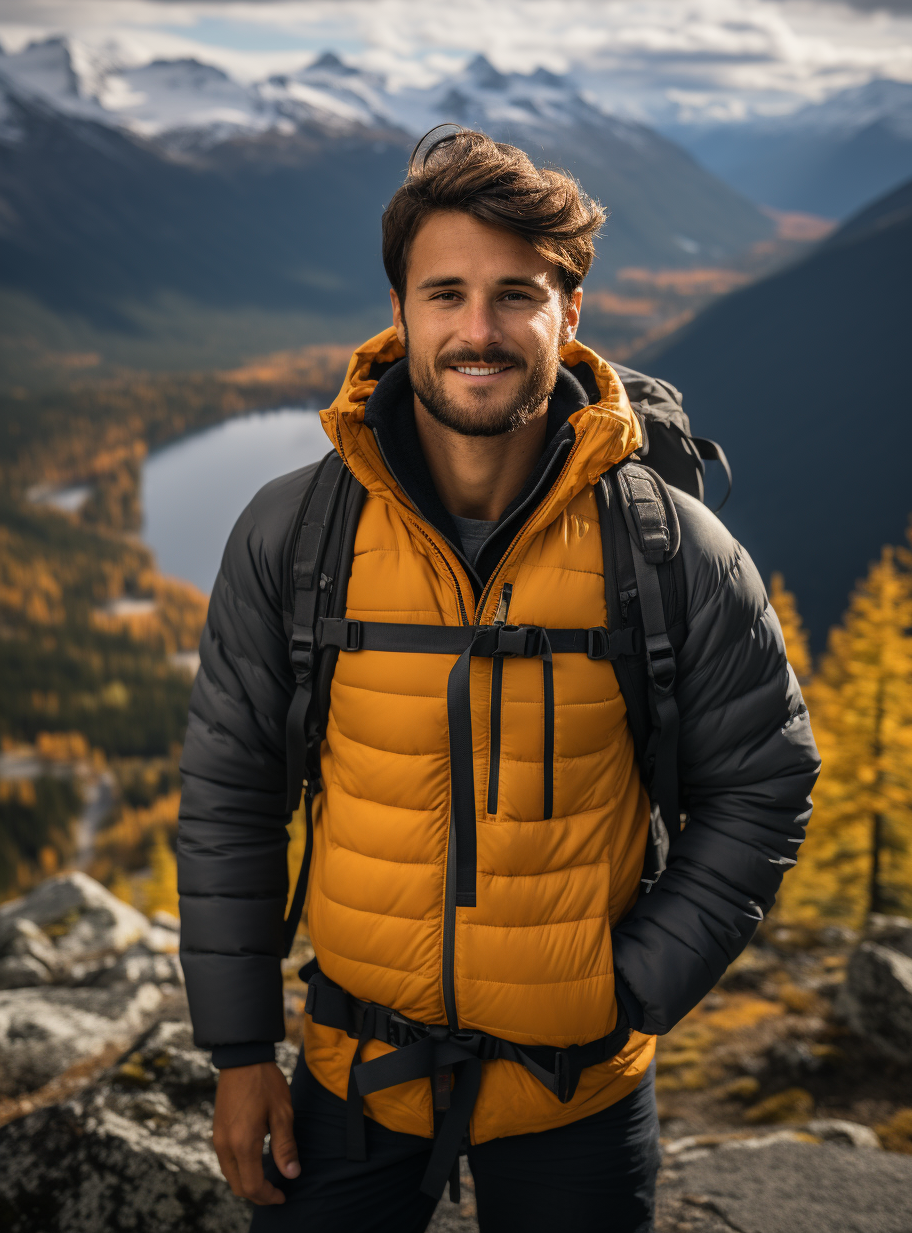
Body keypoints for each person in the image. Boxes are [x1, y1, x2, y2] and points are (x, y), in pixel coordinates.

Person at [177, 128, 819, 1233]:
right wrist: (240, 1053)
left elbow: (765, 781)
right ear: (401, 310)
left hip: (584, 1090)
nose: (478, 330)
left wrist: (635, 985)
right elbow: (232, 792)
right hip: (350, 1072)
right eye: (446, 294)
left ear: (569, 314)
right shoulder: (298, 533)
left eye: (515, 294)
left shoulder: (670, 548)